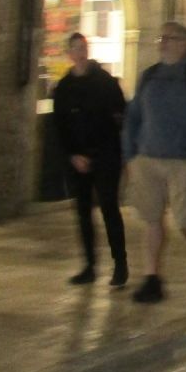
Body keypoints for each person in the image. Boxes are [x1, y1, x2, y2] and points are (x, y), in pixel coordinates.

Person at [123, 21, 186, 303]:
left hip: (182, 161)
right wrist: (129, 155)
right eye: (161, 38)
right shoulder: (149, 76)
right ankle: (152, 278)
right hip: (147, 158)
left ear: (184, 43)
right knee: (151, 219)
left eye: (170, 38)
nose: (163, 42)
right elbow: (133, 117)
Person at [51, 33, 128, 287]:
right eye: (74, 48)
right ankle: (89, 265)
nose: (79, 52)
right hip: (77, 160)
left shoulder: (104, 82)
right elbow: (60, 126)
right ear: (69, 53)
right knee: (83, 213)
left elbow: (118, 115)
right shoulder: (64, 88)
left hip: (105, 155)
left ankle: (120, 264)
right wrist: (73, 155)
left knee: (109, 208)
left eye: (82, 47)